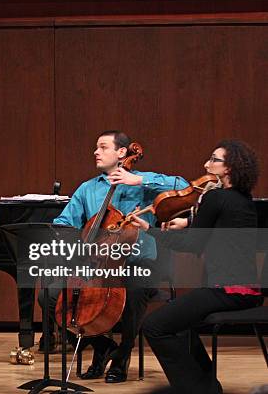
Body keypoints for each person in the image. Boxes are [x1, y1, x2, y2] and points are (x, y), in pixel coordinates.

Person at [43, 130, 187, 383]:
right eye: (96, 147)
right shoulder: (88, 189)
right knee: (51, 294)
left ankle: (122, 355)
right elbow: (64, 221)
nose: (95, 152)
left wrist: (138, 181)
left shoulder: (142, 182)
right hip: (98, 265)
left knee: (133, 291)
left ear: (122, 153)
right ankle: (102, 346)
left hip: (138, 262)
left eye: (102, 147)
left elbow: (183, 187)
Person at [131, 139, 264, 394]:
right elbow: (216, 229)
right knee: (179, 323)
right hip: (248, 292)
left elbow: (193, 245)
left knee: (154, 326)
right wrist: (188, 222)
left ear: (229, 168)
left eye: (214, 159)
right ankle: (206, 387)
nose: (206, 164)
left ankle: (196, 390)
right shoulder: (243, 200)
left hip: (225, 291)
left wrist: (150, 230)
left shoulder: (214, 197)